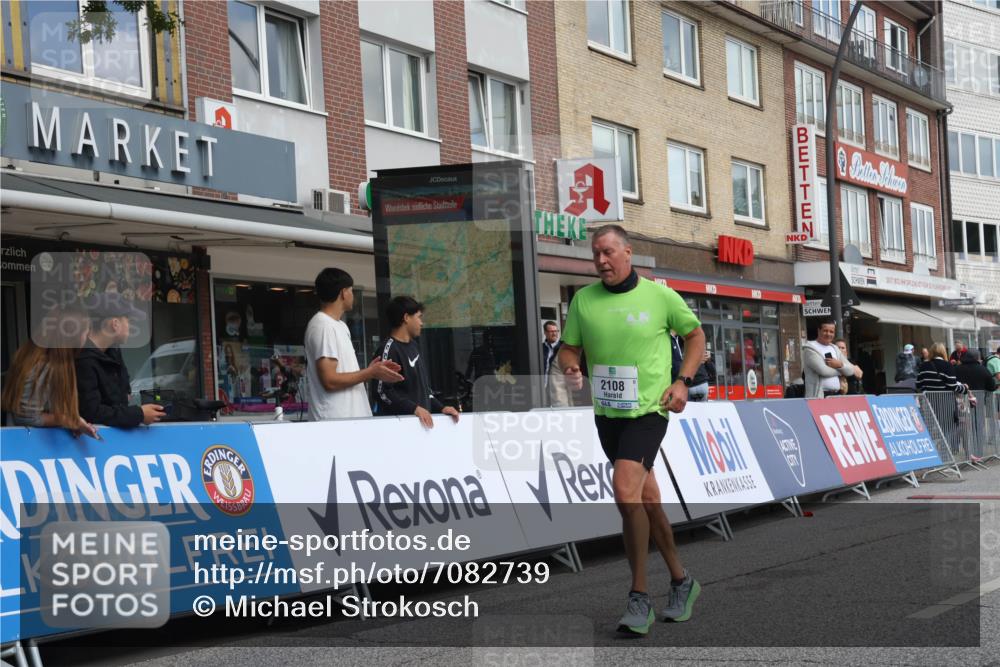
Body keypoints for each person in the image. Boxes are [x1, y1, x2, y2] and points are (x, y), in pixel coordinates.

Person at [558, 224, 705, 635]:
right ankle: (682, 580)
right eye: (595, 254)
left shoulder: (660, 296)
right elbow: (568, 348)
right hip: (607, 414)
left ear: (627, 252)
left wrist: (683, 381)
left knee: (625, 492)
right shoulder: (584, 300)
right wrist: (570, 367)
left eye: (607, 252)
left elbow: (695, 336)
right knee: (648, 500)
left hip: (649, 411)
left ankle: (639, 597)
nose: (600, 261)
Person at [304, 268, 402, 421]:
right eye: (351, 290)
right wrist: (370, 373)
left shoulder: (339, 325)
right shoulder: (323, 326)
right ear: (344, 293)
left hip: (349, 420)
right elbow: (329, 381)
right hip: (335, 422)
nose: (352, 295)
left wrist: (371, 370)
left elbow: (341, 374)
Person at [2, 307, 97, 438]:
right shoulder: (41, 366)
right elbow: (27, 417)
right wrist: (67, 420)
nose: (86, 338)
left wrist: (74, 422)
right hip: (26, 443)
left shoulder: (38, 358)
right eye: (85, 333)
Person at [77, 295, 165, 428]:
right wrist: (139, 414)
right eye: (128, 321)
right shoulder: (84, 361)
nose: (130, 326)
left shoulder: (113, 353)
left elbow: (123, 395)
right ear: (115, 324)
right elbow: (92, 413)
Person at [374, 296, 460, 428]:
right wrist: (413, 409)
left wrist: (441, 408)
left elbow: (424, 390)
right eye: (419, 317)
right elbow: (381, 392)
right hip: (400, 429)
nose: (421, 323)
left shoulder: (414, 346)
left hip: (421, 429)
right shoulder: (388, 349)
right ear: (406, 318)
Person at [802, 321, 855, 399]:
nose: (828, 334)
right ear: (819, 330)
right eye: (825, 331)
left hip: (837, 395)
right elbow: (824, 371)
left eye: (831, 332)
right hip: (819, 397)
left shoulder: (835, 348)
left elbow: (851, 370)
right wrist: (842, 371)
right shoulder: (810, 348)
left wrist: (840, 365)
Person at [542, 321, 561, 386]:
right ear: (545, 333)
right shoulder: (540, 348)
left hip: (556, 387)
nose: (554, 334)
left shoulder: (562, 348)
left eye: (556, 331)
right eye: (551, 331)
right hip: (542, 386)